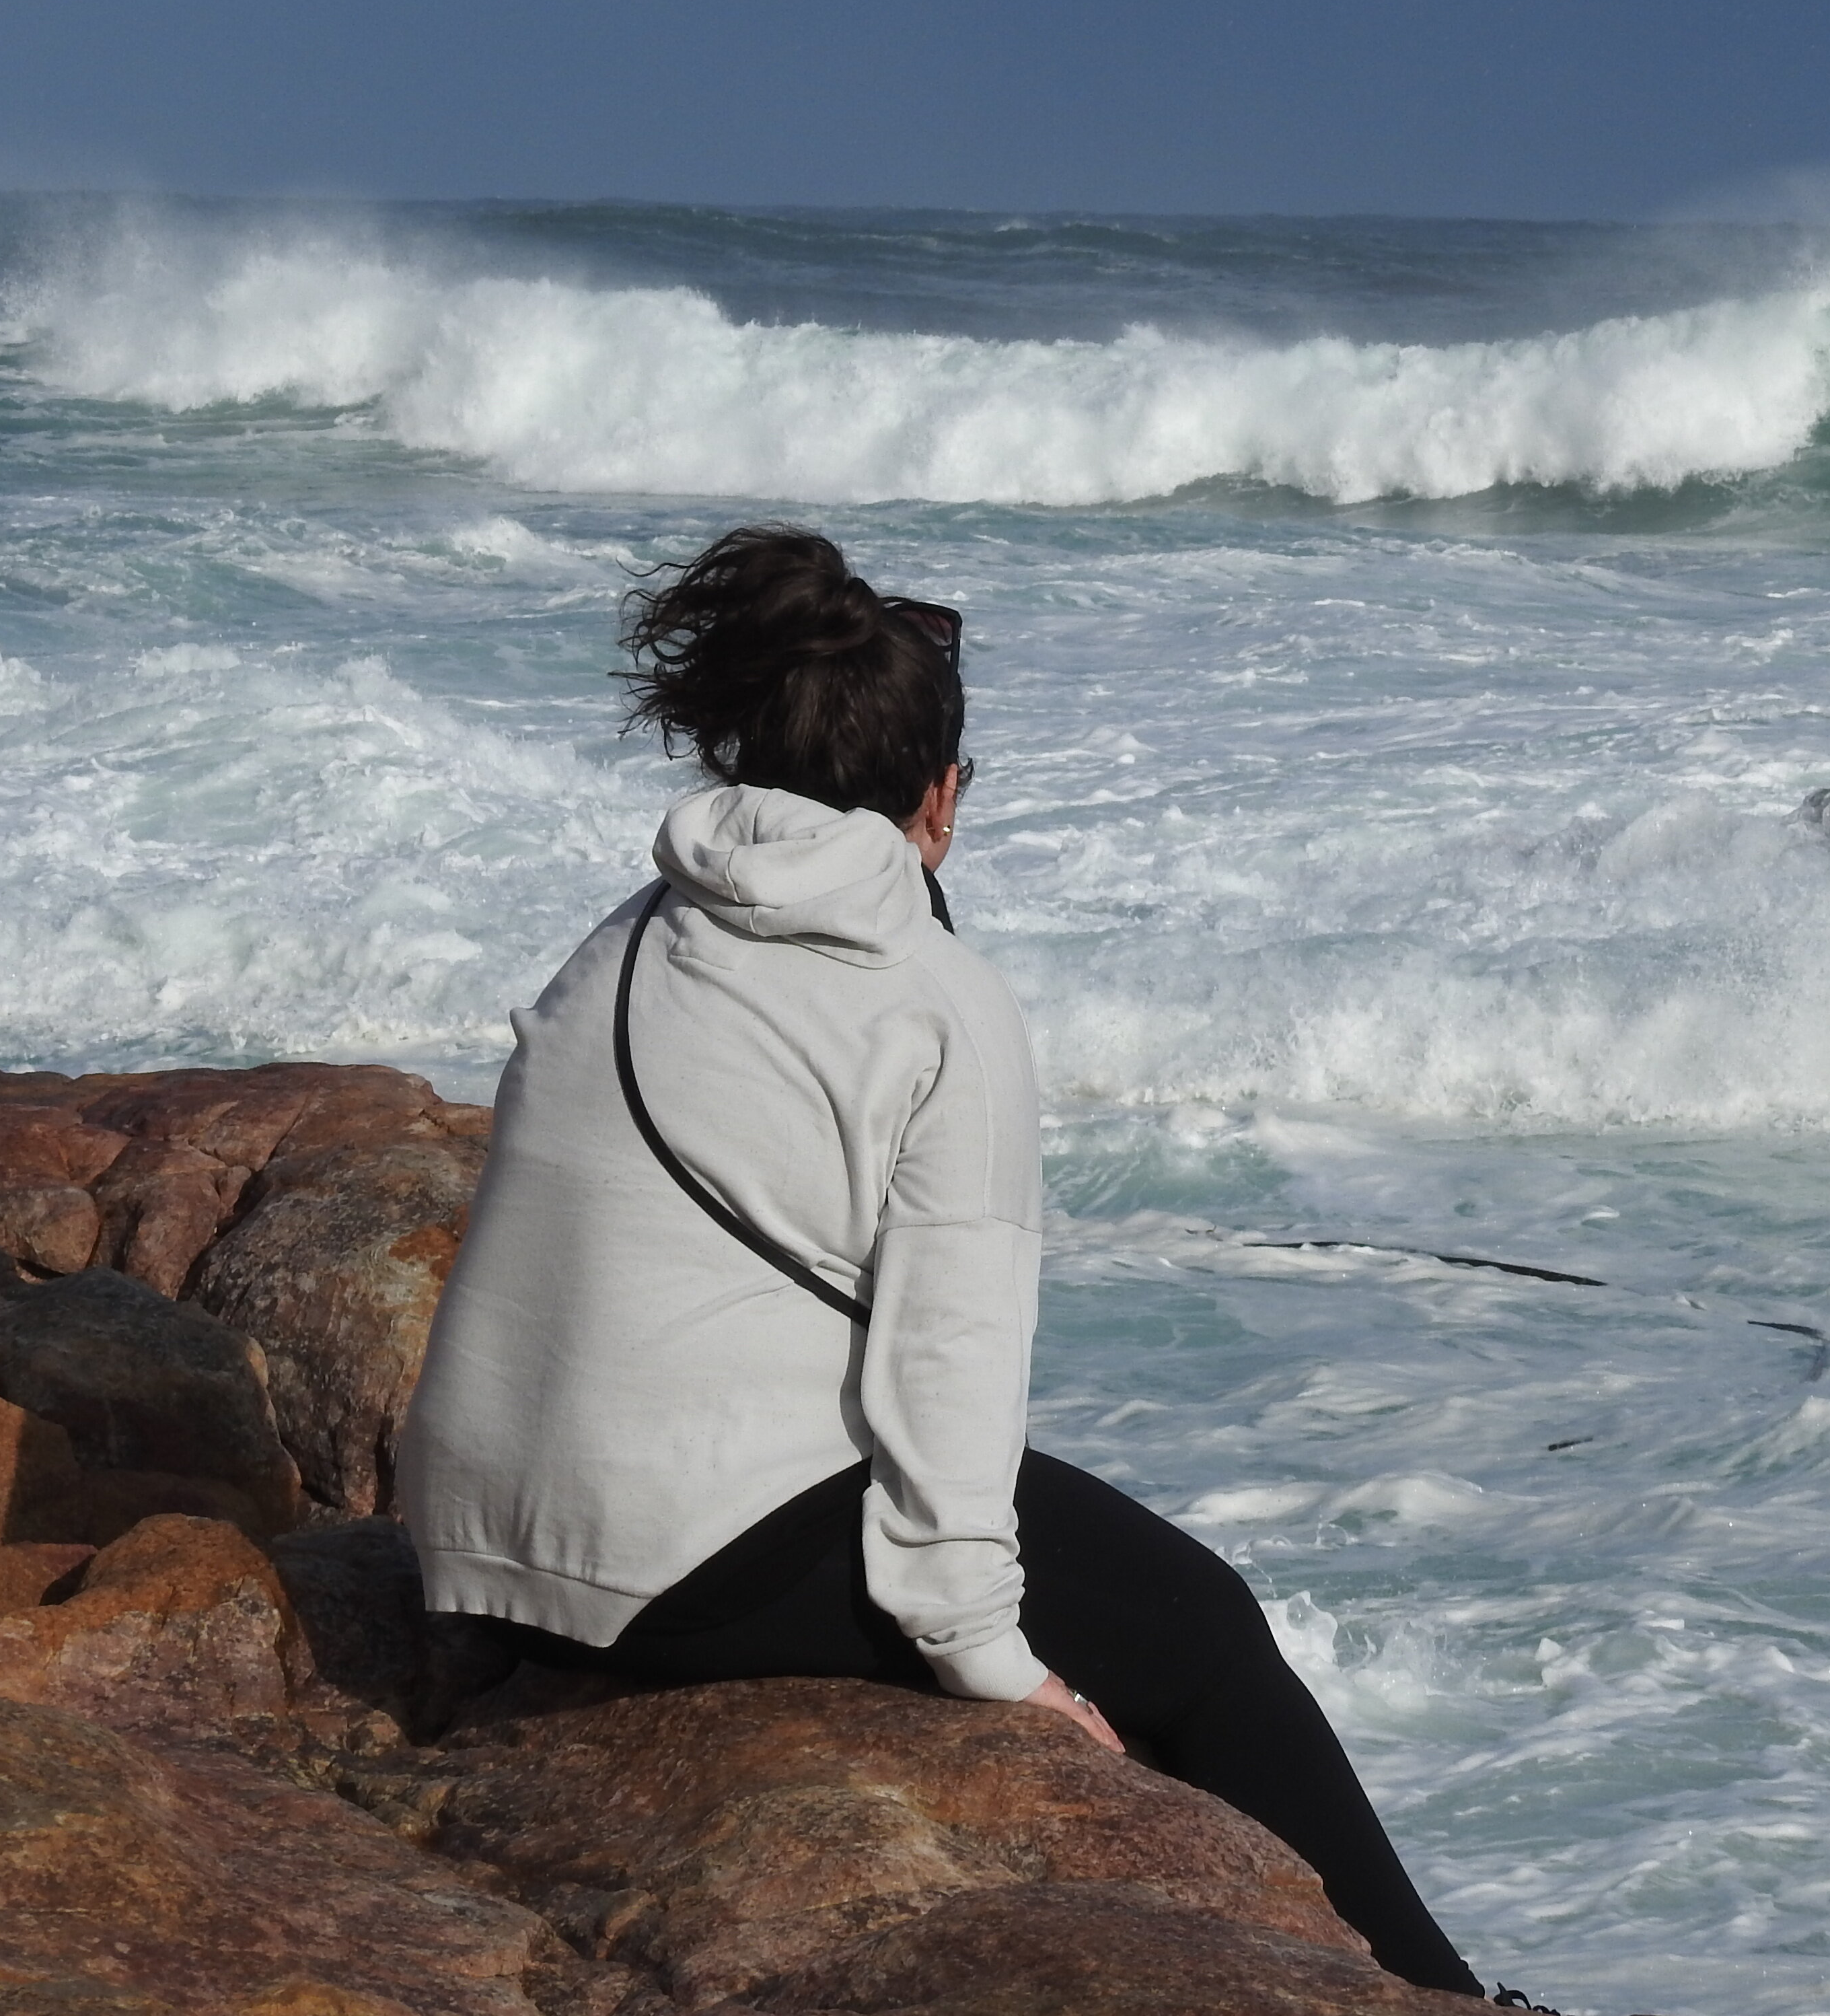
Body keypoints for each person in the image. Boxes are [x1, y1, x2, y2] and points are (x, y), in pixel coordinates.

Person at [395, 525, 1489, 2001]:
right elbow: (949, 1361)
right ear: (942, 797)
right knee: (1206, 1633)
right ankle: (1448, 1996)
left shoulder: (632, 929)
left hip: (470, 1539)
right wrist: (997, 1668)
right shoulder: (935, 999)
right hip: (671, 1575)